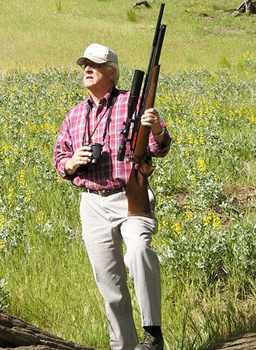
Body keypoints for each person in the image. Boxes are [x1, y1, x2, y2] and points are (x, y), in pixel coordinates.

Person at [53, 43, 171, 350]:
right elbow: (59, 158)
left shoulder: (133, 105)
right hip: (91, 203)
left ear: (112, 73)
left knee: (138, 251)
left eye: (94, 64)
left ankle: (153, 334)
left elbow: (160, 147)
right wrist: (71, 162)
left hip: (129, 195)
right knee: (111, 287)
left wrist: (156, 128)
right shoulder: (75, 114)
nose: (87, 69)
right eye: (84, 65)